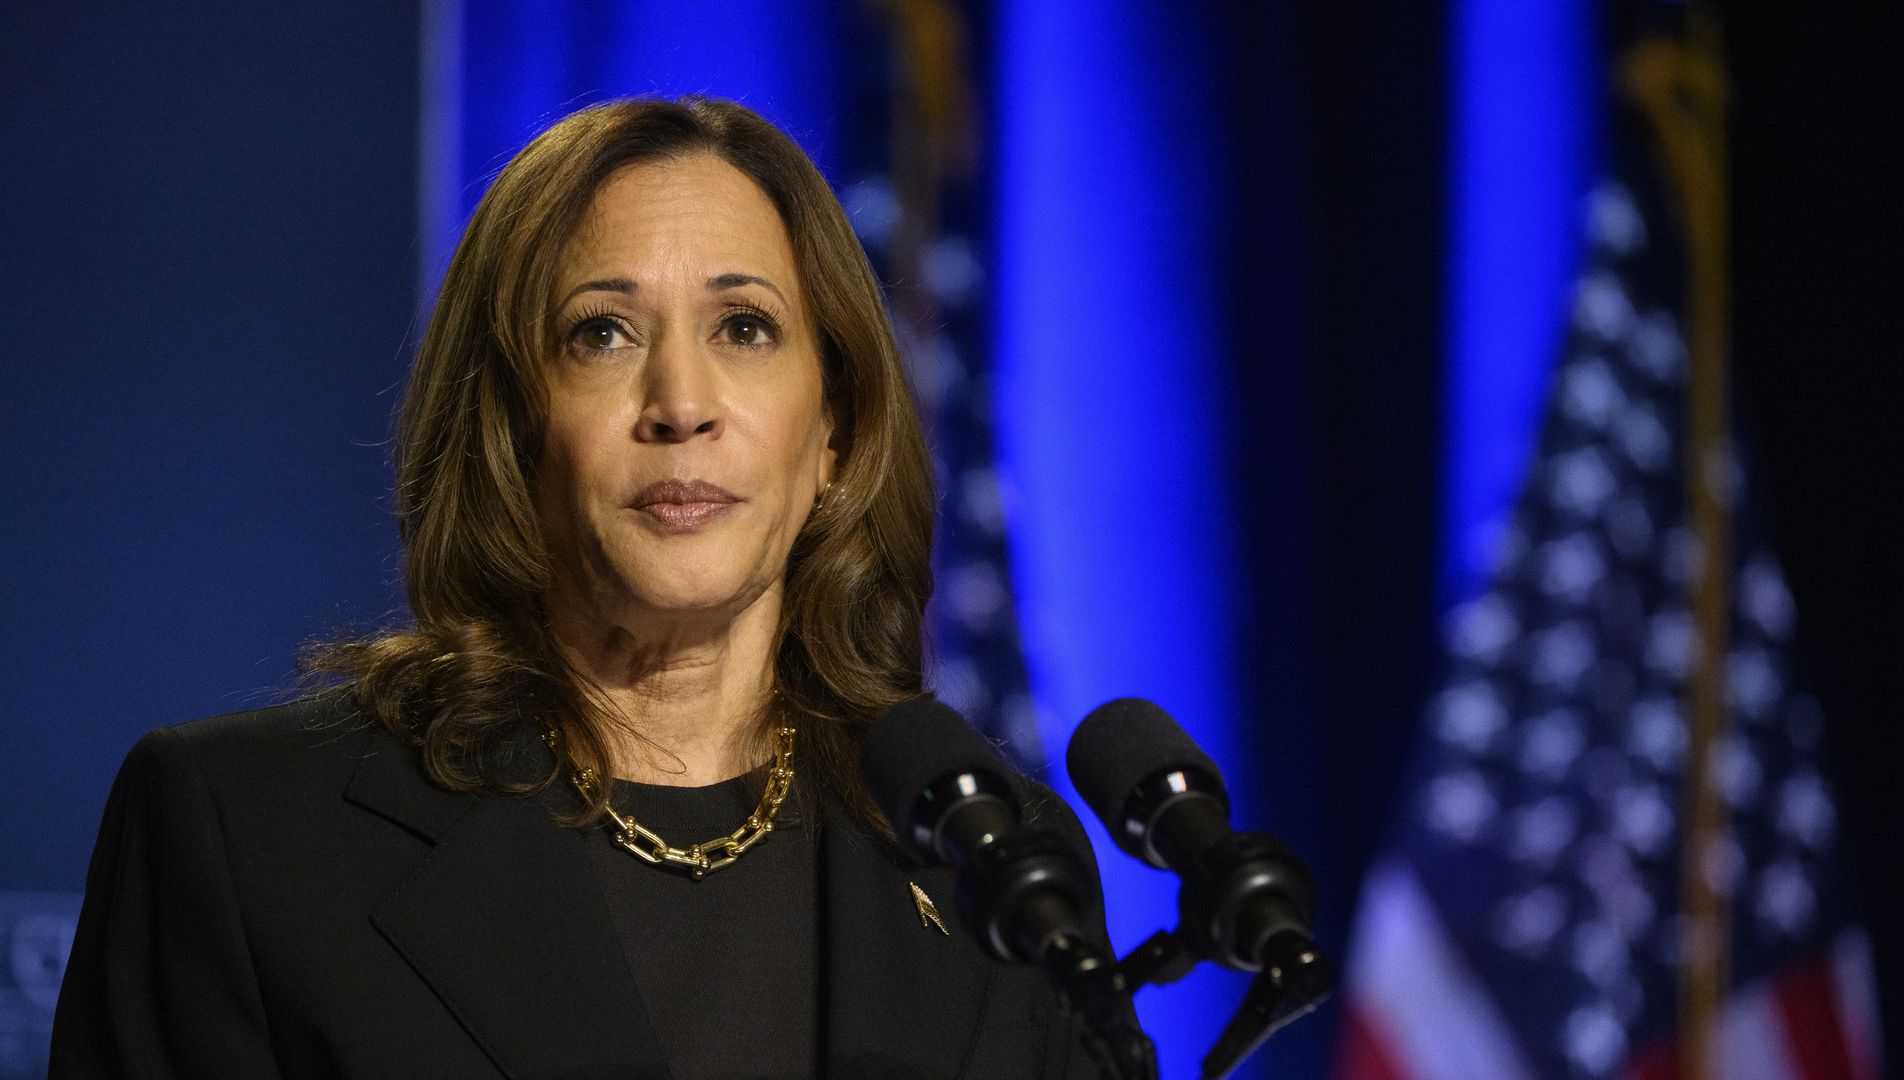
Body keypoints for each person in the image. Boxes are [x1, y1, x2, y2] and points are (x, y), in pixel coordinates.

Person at [50, 97, 1113, 1079]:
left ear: (833, 428)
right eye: (601, 334)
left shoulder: (995, 863)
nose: (681, 404)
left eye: (744, 328)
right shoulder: (247, 838)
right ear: (510, 425)